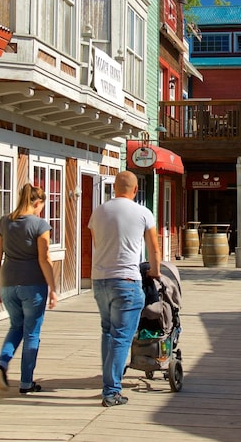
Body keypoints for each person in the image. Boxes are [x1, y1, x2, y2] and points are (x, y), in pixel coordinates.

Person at [88, 171, 161, 407]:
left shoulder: (99, 212)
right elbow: (154, 249)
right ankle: (111, 390)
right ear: (136, 189)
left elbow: (98, 243)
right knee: (121, 336)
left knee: (107, 331)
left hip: (100, 280)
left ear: (114, 188)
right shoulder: (143, 213)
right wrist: (155, 272)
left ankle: (108, 378)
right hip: (126, 281)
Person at [0, 184, 58, 395]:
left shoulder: (4, 222)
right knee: (32, 333)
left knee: (16, 327)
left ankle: (2, 363)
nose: (41, 210)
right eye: (41, 206)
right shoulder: (40, 225)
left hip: (8, 282)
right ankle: (26, 382)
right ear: (37, 203)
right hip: (33, 284)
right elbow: (44, 258)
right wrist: (53, 287)